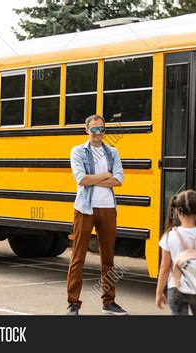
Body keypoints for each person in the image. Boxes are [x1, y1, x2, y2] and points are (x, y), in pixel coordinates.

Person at [66, 114, 126, 316]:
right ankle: (73, 304)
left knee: (108, 258)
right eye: (94, 129)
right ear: (87, 130)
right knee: (78, 257)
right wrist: (105, 176)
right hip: (85, 208)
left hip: (108, 207)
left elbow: (119, 180)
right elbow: (81, 179)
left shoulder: (112, 152)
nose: (98, 133)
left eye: (101, 129)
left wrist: (95, 179)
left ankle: (108, 303)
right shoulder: (78, 151)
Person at [155, 190, 196, 315]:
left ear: (177, 211)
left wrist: (159, 293)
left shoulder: (170, 236)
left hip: (175, 287)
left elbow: (164, 267)